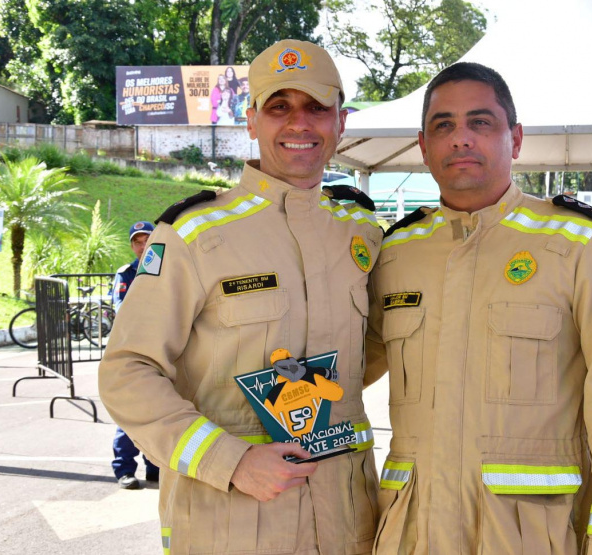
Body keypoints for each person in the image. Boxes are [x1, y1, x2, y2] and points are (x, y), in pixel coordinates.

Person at [99, 39, 382, 554]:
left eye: (317, 107)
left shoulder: (360, 232)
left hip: (347, 521)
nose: (300, 123)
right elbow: (126, 371)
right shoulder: (193, 234)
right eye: (280, 107)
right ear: (251, 121)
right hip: (231, 524)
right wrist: (229, 459)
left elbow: (376, 348)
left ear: (341, 122)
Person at [364, 62, 592, 554]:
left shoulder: (581, 245)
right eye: (444, 125)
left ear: (515, 139)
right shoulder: (396, 253)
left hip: (527, 538)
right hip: (412, 534)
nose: (460, 138)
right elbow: (343, 373)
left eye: (480, 122)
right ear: (423, 145)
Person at [109, 221, 159, 489]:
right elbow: (123, 310)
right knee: (131, 410)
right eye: (137, 242)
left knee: (158, 408)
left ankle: (154, 466)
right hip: (132, 350)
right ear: (132, 246)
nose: (142, 246)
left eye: (147, 240)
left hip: (161, 350)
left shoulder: (166, 270)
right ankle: (124, 469)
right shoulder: (126, 273)